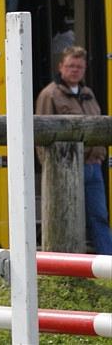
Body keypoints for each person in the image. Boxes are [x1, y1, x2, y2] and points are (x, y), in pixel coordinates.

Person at [35, 46, 112, 255]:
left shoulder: (88, 94)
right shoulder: (49, 95)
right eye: (70, 66)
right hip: (65, 171)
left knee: (99, 217)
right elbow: (40, 136)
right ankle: (63, 267)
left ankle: (108, 264)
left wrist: (100, 155)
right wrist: (51, 169)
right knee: (65, 218)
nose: (75, 70)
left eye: (79, 66)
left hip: (93, 168)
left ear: (85, 68)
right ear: (61, 67)